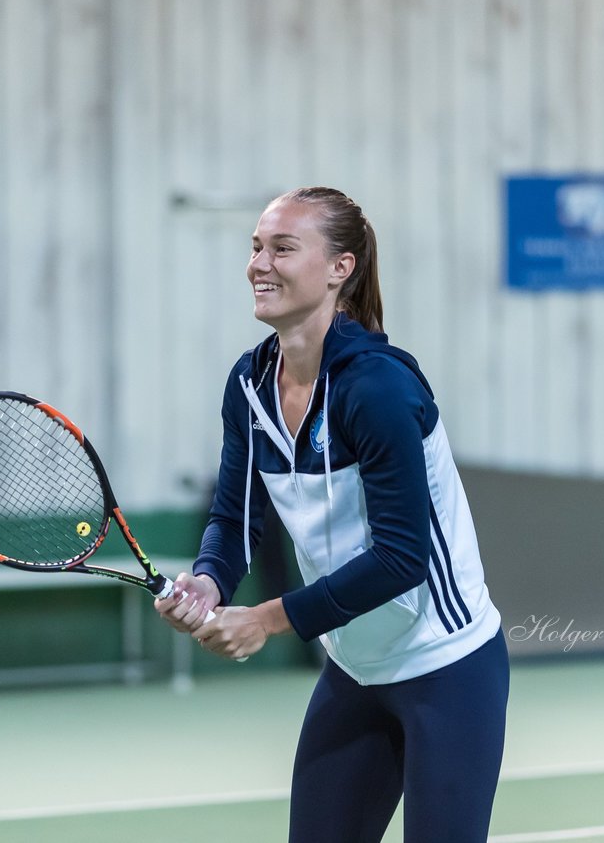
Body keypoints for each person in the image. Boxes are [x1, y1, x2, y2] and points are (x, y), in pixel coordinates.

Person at [155, 187, 509, 842]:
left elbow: (403, 558)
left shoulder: (376, 387)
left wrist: (265, 619)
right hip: (354, 671)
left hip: (447, 668)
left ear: (339, 269)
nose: (259, 264)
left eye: (283, 248)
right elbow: (235, 517)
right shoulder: (248, 386)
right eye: (256, 246)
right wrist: (208, 582)